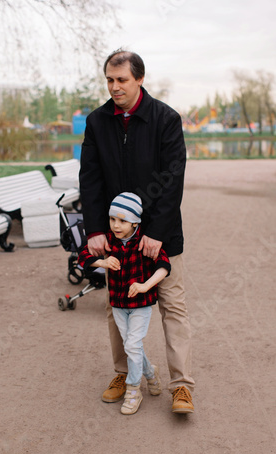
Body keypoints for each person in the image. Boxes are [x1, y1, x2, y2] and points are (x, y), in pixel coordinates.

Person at [79, 49, 195, 413]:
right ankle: (122, 372)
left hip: (162, 237)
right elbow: (91, 179)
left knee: (172, 307)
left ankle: (181, 386)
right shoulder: (97, 122)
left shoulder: (165, 119)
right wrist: (96, 229)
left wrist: (156, 230)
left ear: (139, 79)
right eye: (110, 81)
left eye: (122, 80)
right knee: (118, 306)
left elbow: (173, 179)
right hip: (116, 238)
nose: (115, 87)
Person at [78, 192, 171, 415]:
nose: (116, 225)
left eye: (122, 220)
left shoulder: (145, 242)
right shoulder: (109, 240)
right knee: (133, 345)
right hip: (118, 304)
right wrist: (102, 261)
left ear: (135, 222)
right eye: (112, 219)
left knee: (131, 345)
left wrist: (145, 285)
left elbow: (164, 266)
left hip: (141, 304)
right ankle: (150, 373)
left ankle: (133, 390)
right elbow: (82, 256)